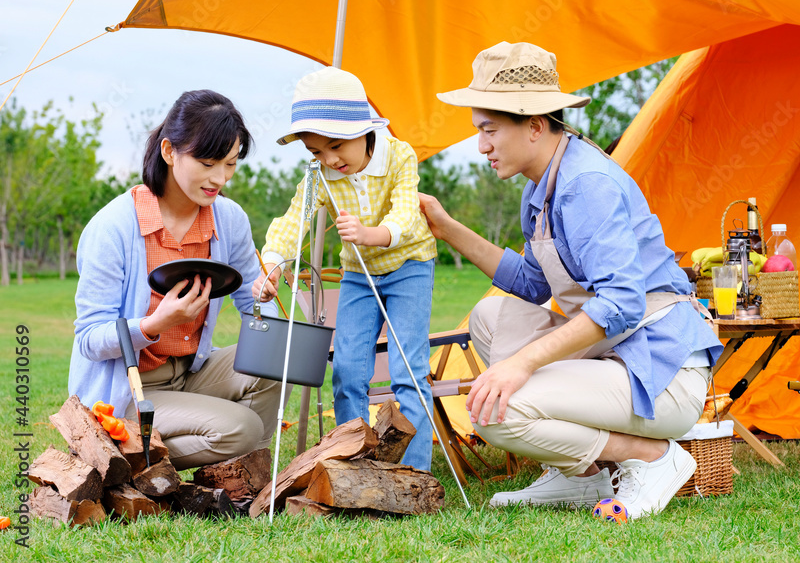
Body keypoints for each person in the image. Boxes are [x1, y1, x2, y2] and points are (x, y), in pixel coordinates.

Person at [419, 41, 724, 519]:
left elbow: (622, 303)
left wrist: (521, 365)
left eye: (489, 130)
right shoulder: (541, 187)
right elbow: (536, 284)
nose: (481, 146)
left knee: (496, 411)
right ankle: (583, 477)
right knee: (488, 316)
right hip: (614, 354)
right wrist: (448, 228)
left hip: (660, 371)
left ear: (535, 126)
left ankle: (654, 458)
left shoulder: (586, 185)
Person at [70, 90, 283, 470]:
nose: (220, 178)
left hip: (191, 371)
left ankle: (246, 476)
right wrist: (155, 324)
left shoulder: (228, 219)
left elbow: (255, 302)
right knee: (243, 428)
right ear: (169, 152)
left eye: (231, 164)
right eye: (207, 163)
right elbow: (89, 338)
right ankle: (122, 453)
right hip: (130, 389)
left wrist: (265, 293)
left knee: (274, 356)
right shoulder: (114, 227)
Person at [253, 68, 437, 472]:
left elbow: (406, 211)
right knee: (349, 372)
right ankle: (355, 466)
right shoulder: (321, 174)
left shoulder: (399, 155)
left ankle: (417, 472)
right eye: (317, 152)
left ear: (364, 130)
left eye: (336, 145)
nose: (330, 159)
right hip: (358, 275)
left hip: (409, 265)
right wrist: (271, 262)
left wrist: (372, 233)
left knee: (409, 370)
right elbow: (293, 220)